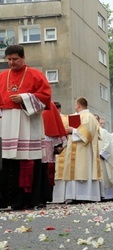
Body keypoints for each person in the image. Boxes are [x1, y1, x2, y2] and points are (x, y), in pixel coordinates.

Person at [0, 45, 52, 210]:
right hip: (7, 122)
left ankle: (31, 199)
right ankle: (7, 200)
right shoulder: (2, 76)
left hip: (27, 122)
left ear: (23, 58)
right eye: (8, 59)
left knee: (29, 159)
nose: (11, 63)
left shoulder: (36, 75)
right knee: (7, 161)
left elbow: (45, 97)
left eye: (15, 59)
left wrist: (24, 98)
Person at [54, 97, 102, 203]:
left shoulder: (88, 116)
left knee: (83, 170)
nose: (75, 107)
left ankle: (85, 196)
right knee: (74, 171)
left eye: (75, 105)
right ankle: (74, 195)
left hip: (84, 149)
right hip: (74, 148)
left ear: (79, 105)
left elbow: (88, 133)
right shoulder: (77, 116)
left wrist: (73, 130)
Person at [41, 102, 68, 207]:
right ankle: (42, 197)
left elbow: (57, 131)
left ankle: (44, 197)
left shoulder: (49, 106)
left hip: (46, 144)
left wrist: (59, 146)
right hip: (40, 144)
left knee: (46, 171)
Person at [95, 116, 113, 201]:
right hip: (92, 159)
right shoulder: (88, 131)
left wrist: (101, 153)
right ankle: (95, 195)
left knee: (104, 176)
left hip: (101, 158)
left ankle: (106, 195)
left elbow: (108, 144)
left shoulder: (104, 132)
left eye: (96, 119)